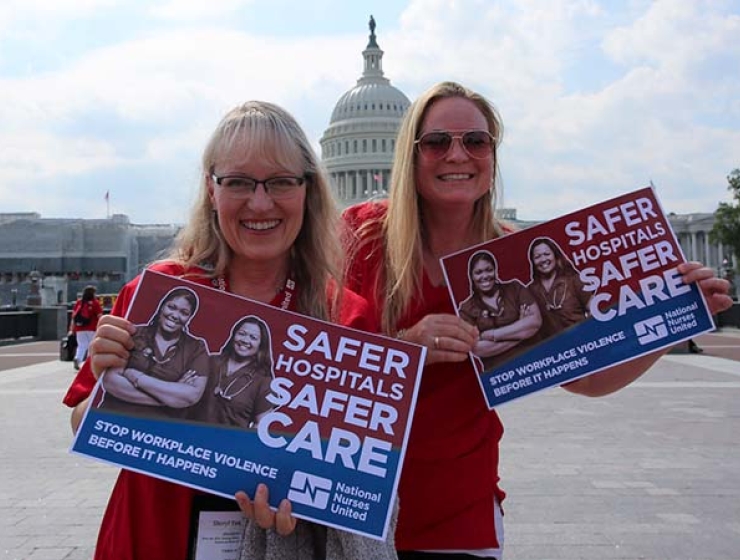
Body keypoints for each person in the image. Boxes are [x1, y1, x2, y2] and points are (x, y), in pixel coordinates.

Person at [342, 80, 733, 559]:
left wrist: (679, 319)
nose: (457, 155)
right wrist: (404, 347)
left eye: (476, 141)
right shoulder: (357, 237)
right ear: (410, 155)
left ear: (492, 156)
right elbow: (311, 369)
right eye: (438, 142)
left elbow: (586, 380)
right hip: (354, 510)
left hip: (460, 516)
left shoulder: (519, 257)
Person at [62, 100, 395, 560]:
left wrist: (309, 507)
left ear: (308, 190)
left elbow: (356, 477)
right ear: (211, 189)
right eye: (238, 182)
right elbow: (82, 423)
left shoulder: (346, 316)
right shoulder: (158, 294)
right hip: (154, 537)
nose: (260, 203)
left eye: (280, 181)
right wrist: (105, 385)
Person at [96, 287, 209, 419]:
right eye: (171, 307)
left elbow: (191, 396)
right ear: (161, 307)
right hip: (114, 423)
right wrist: (171, 397)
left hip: (162, 433)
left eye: (184, 312)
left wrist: (136, 376)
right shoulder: (134, 334)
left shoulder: (196, 347)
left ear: (189, 317)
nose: (175, 315)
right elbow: (111, 382)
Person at [457, 249, 541, 372]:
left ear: (495, 271)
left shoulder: (515, 288)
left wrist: (492, 335)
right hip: (500, 377)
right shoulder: (466, 308)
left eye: (489, 270)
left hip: (536, 364)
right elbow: (478, 349)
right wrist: (522, 330)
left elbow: (535, 322)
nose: (485, 276)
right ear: (471, 276)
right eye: (478, 272)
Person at [195, 315, 275, 428]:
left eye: (253, 337)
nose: (245, 340)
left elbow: (261, 425)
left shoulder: (263, 381)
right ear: (233, 335)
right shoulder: (211, 361)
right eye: (242, 334)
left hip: (224, 443)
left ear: (261, 345)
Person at [527, 236, 592, 339]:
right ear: (533, 262)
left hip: (582, 340)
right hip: (553, 349)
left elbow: (593, 310)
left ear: (555, 256)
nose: (543, 259)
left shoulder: (574, 280)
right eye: (537, 256)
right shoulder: (530, 290)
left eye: (547, 254)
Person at [68, 285, 104, 370]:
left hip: (79, 328)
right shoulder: (95, 303)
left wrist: (72, 328)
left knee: (81, 345)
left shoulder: (79, 302)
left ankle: (78, 358)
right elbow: (100, 316)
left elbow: (74, 316)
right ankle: (88, 363)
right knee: (91, 345)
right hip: (92, 328)